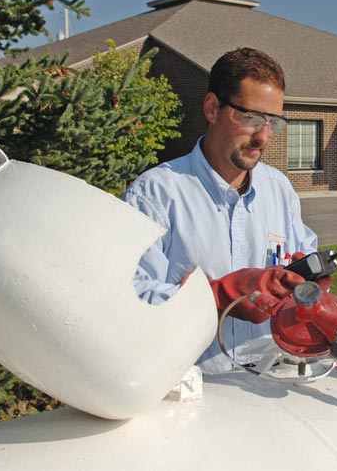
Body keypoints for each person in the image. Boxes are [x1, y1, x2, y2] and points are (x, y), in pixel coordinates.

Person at [123, 48, 320, 375]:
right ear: (212, 108)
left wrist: (310, 279)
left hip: (272, 379)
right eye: (252, 118)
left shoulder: (279, 190)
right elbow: (131, 300)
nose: (263, 136)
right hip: (195, 391)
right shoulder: (156, 193)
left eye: (274, 122)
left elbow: (304, 257)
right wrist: (216, 297)